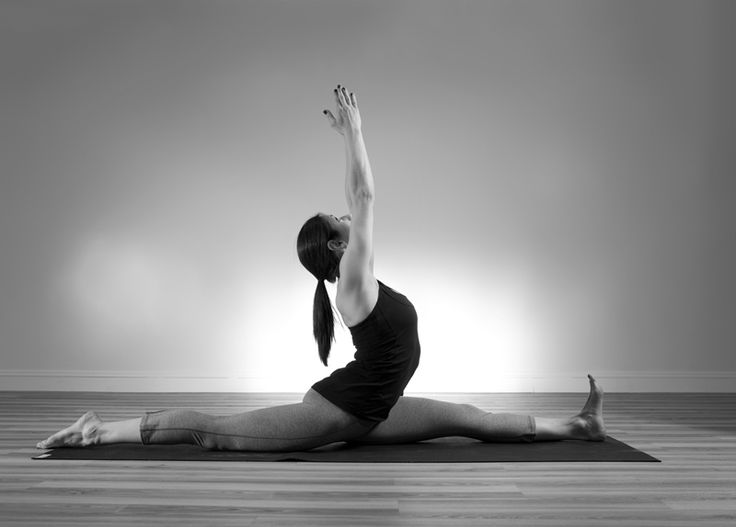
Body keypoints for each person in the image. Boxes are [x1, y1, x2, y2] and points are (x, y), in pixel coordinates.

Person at [36, 85, 605, 452]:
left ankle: (579, 426)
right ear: (338, 250)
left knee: (470, 418)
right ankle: (99, 429)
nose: (345, 216)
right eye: (338, 221)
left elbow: (358, 204)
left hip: (374, 410)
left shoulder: (361, 276)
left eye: (339, 215)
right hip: (335, 415)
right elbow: (364, 197)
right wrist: (354, 133)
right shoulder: (353, 288)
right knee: (217, 433)